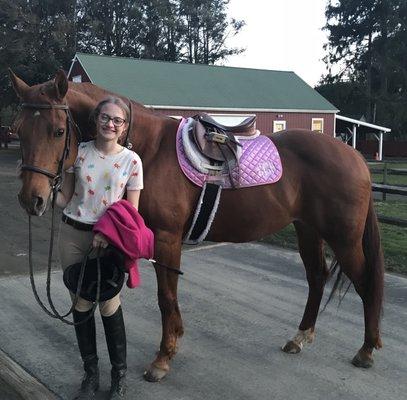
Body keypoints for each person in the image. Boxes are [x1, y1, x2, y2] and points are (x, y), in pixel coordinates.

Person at [57, 96, 143, 400]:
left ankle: (118, 375)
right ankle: (90, 374)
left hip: (108, 241)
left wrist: (106, 233)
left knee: (108, 304)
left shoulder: (132, 161)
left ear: (124, 126)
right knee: (80, 304)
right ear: (96, 120)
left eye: (117, 120)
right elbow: (66, 198)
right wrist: (37, 195)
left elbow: (130, 213)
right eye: (105, 118)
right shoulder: (78, 154)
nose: (110, 124)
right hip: (72, 235)